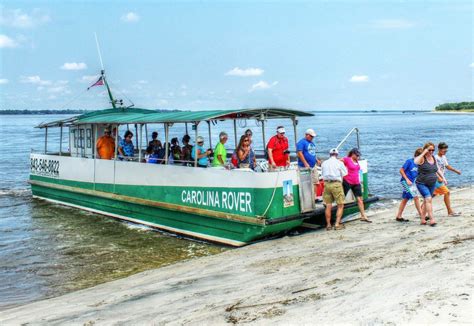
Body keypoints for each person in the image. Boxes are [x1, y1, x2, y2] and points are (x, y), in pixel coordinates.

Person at [414, 142, 444, 226]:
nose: (431, 151)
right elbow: (415, 162)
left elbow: (437, 169)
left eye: (432, 150)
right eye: (429, 150)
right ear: (425, 149)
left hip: (432, 183)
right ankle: (432, 220)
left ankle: (423, 220)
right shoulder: (421, 158)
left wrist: (443, 178)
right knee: (428, 199)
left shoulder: (433, 158)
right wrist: (424, 152)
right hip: (421, 183)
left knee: (427, 200)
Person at [321, 148, 348, 230]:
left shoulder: (324, 163)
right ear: (337, 155)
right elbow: (345, 173)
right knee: (340, 205)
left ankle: (328, 225)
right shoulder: (339, 163)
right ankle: (336, 224)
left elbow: (322, 173)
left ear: (329, 154)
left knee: (328, 205)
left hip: (327, 184)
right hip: (336, 183)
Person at [342, 148, 371, 223]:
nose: (358, 156)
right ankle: (338, 217)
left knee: (360, 200)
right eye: (357, 155)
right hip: (347, 181)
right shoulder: (347, 159)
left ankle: (363, 216)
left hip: (356, 182)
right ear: (353, 154)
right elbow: (338, 162)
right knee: (341, 199)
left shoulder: (357, 161)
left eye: (359, 155)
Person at [395, 148, 424, 223]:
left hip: (412, 183)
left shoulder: (420, 164)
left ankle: (399, 216)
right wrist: (407, 179)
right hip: (405, 182)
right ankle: (421, 215)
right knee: (412, 198)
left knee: (410, 198)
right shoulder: (409, 161)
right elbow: (401, 170)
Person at [433, 142, 462, 216]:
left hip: (440, 178)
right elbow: (433, 169)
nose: (445, 152)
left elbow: (447, 166)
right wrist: (439, 177)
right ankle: (450, 212)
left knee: (431, 195)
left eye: (446, 151)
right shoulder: (435, 158)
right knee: (447, 192)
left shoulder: (443, 157)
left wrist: (456, 171)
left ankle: (421, 211)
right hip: (435, 179)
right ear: (439, 149)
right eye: (444, 150)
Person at [297, 128, 321, 198]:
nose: (312, 138)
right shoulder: (301, 142)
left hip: (313, 165)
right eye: (311, 136)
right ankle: (307, 198)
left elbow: (312, 152)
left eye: (313, 136)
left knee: (315, 181)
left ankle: (314, 197)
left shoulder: (312, 143)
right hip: (304, 166)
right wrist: (305, 163)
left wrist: (316, 160)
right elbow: (299, 153)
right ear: (307, 135)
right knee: (305, 183)